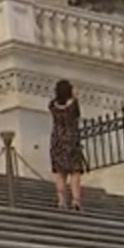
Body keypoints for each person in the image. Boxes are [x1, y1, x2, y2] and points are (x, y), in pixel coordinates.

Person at [49, 79, 86, 210]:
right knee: (74, 172)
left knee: (60, 172)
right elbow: (76, 116)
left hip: (57, 140)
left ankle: (61, 200)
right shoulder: (73, 104)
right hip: (71, 139)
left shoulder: (52, 105)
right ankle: (76, 200)